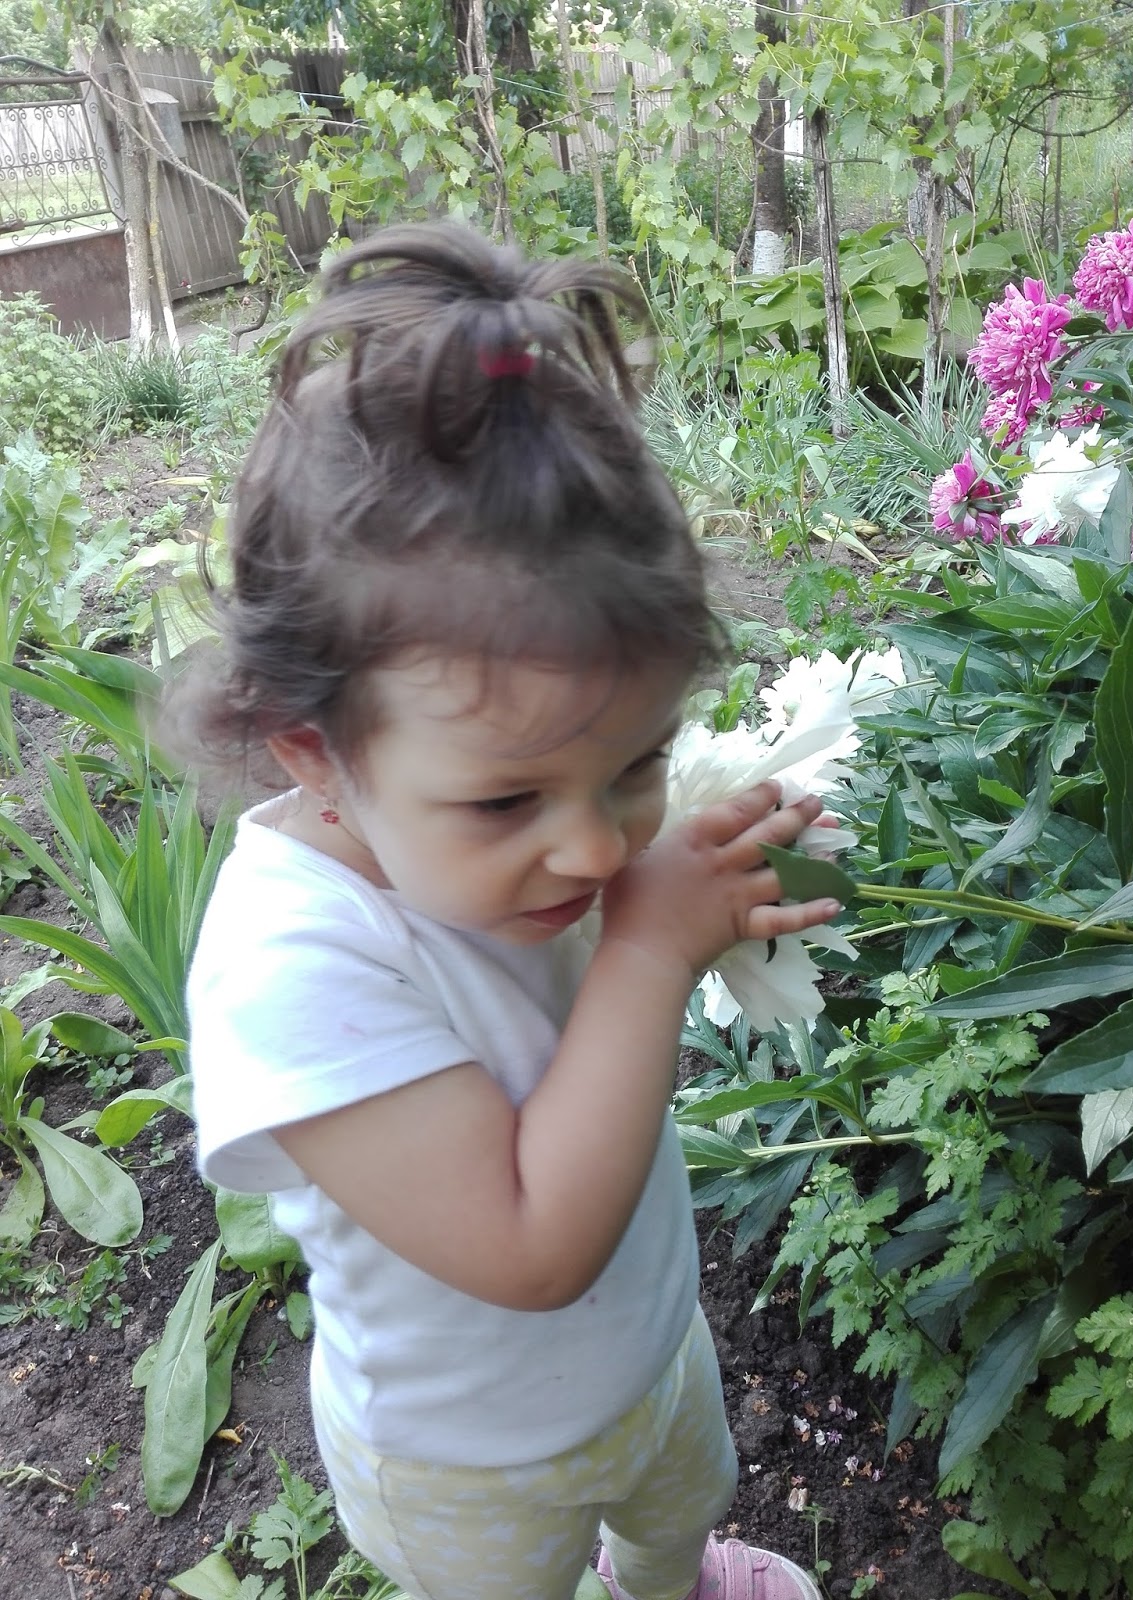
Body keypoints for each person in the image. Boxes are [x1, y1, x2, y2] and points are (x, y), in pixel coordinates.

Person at [183, 222, 840, 1600]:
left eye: (639, 762)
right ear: (315, 754)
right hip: (469, 1468)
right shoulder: (292, 967)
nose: (597, 850)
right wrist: (653, 946)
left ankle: (669, 1580)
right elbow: (532, 1243)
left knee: (678, 1508)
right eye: (506, 802)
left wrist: (734, 849)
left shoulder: (514, 830)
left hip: (648, 1344)